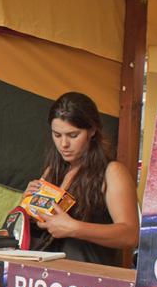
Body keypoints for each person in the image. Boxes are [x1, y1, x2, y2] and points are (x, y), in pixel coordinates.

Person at [26, 92, 140, 266]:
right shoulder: (52, 170)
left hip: (90, 284)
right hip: (47, 281)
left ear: (92, 130)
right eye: (57, 135)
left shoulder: (112, 172)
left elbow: (131, 235)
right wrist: (28, 206)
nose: (64, 144)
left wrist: (75, 228)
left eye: (73, 135)